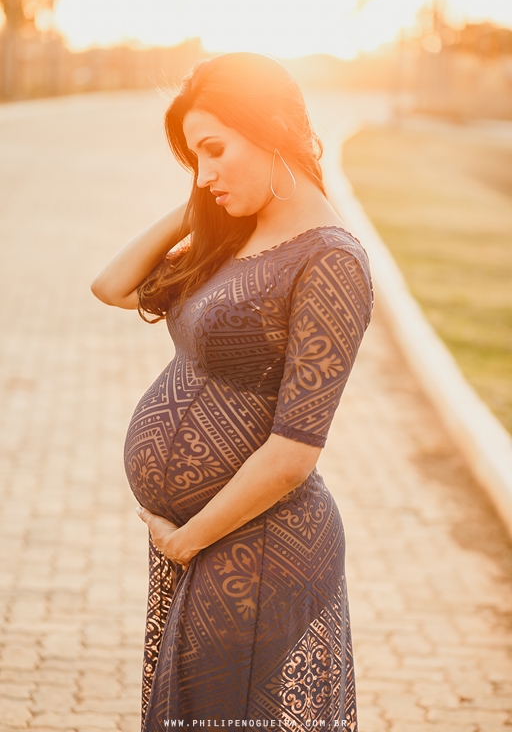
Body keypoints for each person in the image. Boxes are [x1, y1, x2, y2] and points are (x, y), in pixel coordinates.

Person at [91, 52, 373, 732]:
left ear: (273, 125)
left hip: (265, 546)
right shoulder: (236, 236)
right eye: (194, 158)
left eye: (215, 149)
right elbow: (113, 286)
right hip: (210, 539)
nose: (205, 173)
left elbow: (293, 453)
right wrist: (194, 209)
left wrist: (188, 542)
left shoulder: (329, 260)